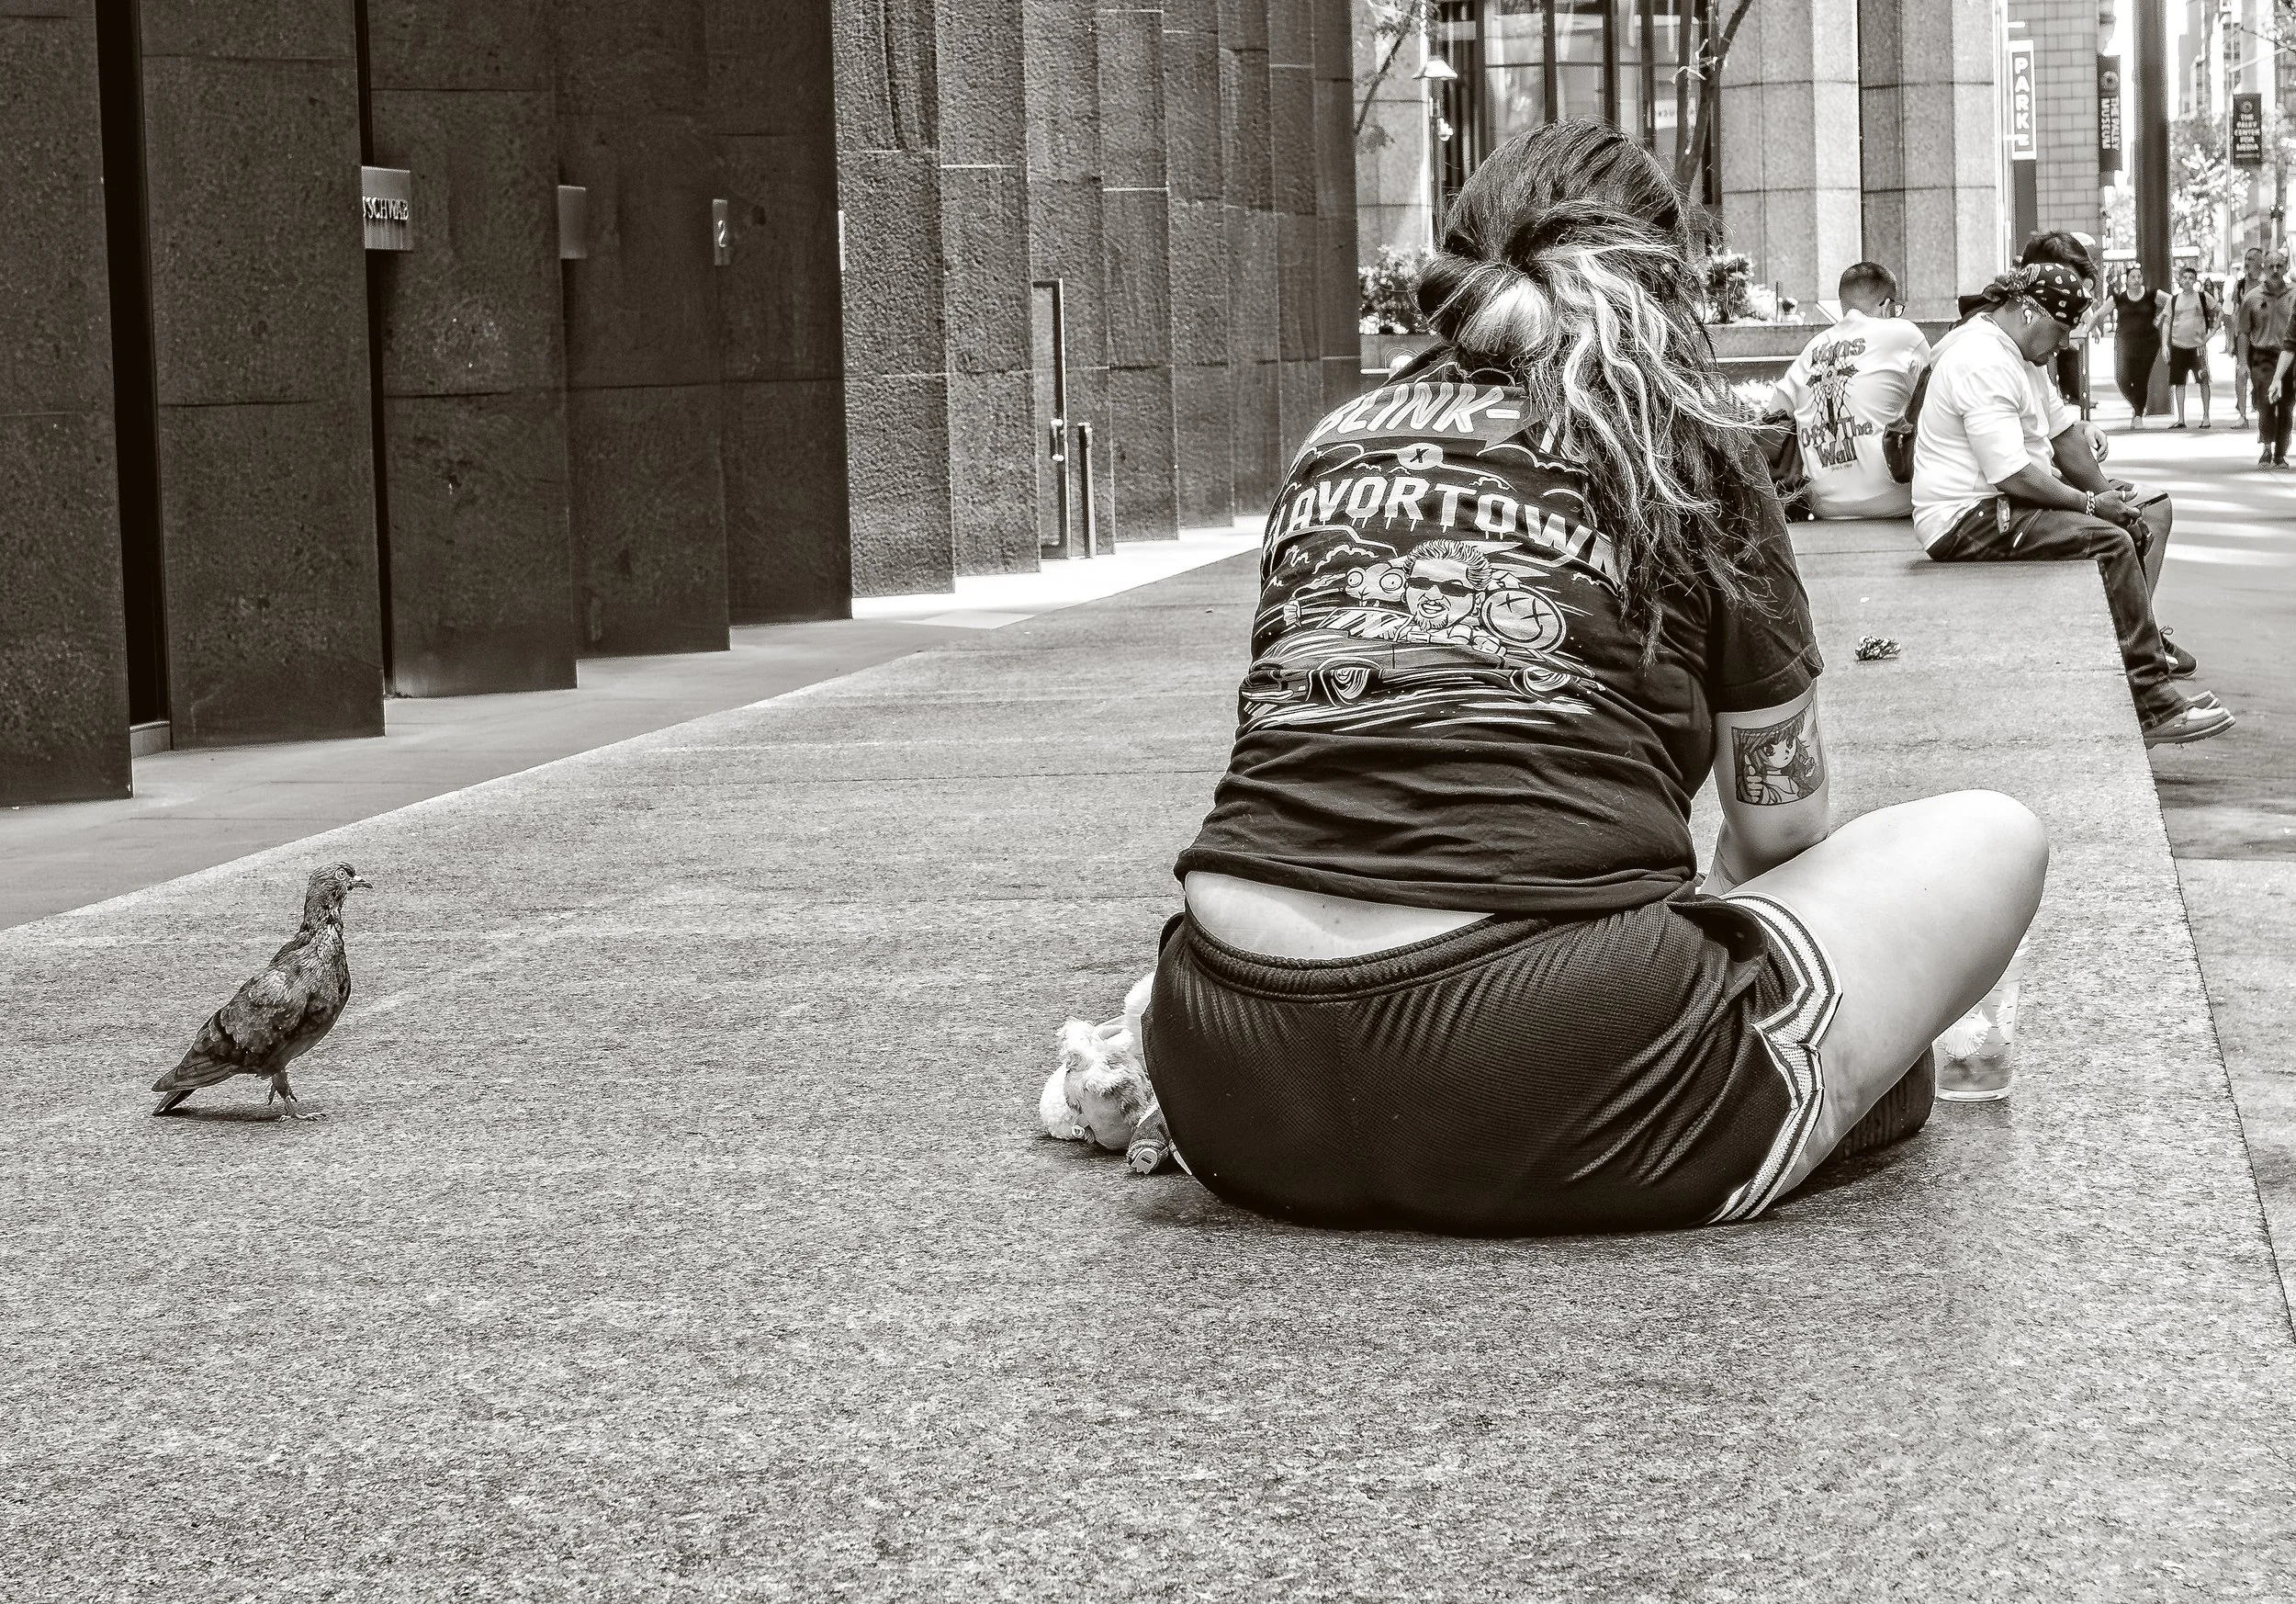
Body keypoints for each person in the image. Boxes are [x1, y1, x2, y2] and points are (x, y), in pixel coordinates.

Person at [1144, 120, 2050, 1237]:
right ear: (1662, 277)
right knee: (1993, 834)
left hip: (1221, 1065)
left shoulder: (1334, 441)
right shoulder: (1684, 447)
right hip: (1544, 1065)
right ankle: (1808, 1087)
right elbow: (1778, 834)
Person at [1911, 264, 2234, 747]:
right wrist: (2090, 504)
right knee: (2110, 542)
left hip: (2002, 501)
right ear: (2026, 311)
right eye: (2060, 331)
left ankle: (2133, 653)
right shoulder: (1980, 358)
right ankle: (2152, 702)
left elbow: (2063, 437)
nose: (2063, 345)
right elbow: (2012, 474)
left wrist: (2109, 496)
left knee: (2142, 514)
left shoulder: (2021, 355)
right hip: (1965, 517)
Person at [1765, 263, 1931, 518]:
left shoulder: (1812, 349)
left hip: (1824, 506)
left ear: (1843, 306)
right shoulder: (1903, 333)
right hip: (1897, 500)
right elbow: (1938, 399)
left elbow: (1772, 416)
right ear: (1887, 306)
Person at [2240, 252, 2295, 469]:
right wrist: (2243, 363)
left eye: (2279, 266)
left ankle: (2281, 453)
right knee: (2266, 402)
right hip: (2263, 357)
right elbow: (2244, 331)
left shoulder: (2294, 294)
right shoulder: (2252, 297)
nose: (2275, 270)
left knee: (2286, 405)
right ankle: (2266, 448)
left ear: (2286, 267)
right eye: (2270, 266)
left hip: (2290, 358)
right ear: (2264, 267)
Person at [2110, 262, 2166, 427]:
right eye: (2132, 276)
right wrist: (2088, 328)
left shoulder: (2152, 295)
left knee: (2141, 379)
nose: (2136, 279)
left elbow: (2172, 302)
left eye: (2139, 276)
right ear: (2126, 280)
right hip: (2125, 344)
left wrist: (2161, 317)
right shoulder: (2119, 298)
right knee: (2122, 380)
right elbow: (2100, 313)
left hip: (2148, 343)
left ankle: (2138, 415)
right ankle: (2137, 406)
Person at [2164, 264, 2216, 429]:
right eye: (2184, 277)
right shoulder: (2173, 300)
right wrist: (2165, 344)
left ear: (2195, 281)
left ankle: (2206, 417)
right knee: (2179, 383)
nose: (2187, 281)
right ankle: (2181, 419)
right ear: (2179, 280)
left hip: (2197, 347)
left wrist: (2210, 333)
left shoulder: (2202, 297)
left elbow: (2220, 311)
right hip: (2178, 345)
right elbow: (2166, 322)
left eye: (2190, 278)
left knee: (2203, 380)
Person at [2231, 245, 2264, 425]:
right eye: (2247, 258)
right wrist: (2232, 339)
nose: (2248, 261)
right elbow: (2236, 311)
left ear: (2261, 261)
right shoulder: (2241, 285)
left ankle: (2259, 402)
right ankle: (2242, 416)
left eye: (2252, 258)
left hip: (2265, 337)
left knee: (2262, 374)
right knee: (2241, 372)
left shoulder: (2268, 283)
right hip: (2244, 336)